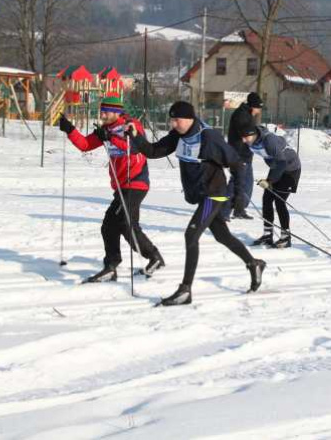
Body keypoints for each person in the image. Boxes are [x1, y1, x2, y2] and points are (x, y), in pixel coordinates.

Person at [127, 101, 266, 306]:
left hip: (215, 194)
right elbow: (154, 151)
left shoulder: (208, 137)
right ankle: (253, 263)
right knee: (222, 235)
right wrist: (136, 137)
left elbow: (237, 163)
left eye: (177, 120)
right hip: (201, 193)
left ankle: (185, 290)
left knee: (191, 235)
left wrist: (238, 199)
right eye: (171, 120)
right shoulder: (179, 135)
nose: (173, 124)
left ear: (190, 118)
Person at [57, 94, 165, 282]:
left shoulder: (130, 125)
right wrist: (70, 130)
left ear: (116, 112)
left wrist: (111, 138)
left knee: (124, 224)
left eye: (106, 112)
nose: (103, 115)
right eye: (102, 111)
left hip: (136, 182)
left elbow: (133, 147)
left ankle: (151, 257)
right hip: (122, 185)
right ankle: (112, 266)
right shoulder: (107, 128)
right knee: (109, 227)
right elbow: (85, 145)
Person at [241, 124, 302, 248]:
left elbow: (282, 162)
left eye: (246, 137)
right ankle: (267, 235)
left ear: (254, 134)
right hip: (277, 168)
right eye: (242, 137)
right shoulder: (250, 141)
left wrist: (270, 181)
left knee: (280, 201)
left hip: (290, 168)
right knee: (267, 199)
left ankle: (286, 237)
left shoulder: (269, 140)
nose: (244, 140)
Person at [223, 92, 264, 220]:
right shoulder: (241, 115)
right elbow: (247, 133)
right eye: (258, 107)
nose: (259, 110)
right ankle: (224, 211)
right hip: (238, 154)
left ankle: (239, 210)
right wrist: (259, 134)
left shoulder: (247, 115)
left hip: (246, 154)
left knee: (246, 183)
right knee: (236, 182)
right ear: (252, 106)